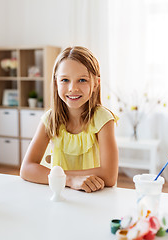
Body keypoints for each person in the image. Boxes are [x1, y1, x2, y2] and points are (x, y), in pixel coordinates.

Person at [20, 46, 118, 193]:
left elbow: (109, 176)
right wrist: (70, 180)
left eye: (82, 80)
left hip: (94, 197)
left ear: (96, 83)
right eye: (65, 80)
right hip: (61, 194)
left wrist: (58, 176)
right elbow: (26, 169)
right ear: (56, 82)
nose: (73, 88)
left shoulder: (103, 119)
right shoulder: (50, 119)